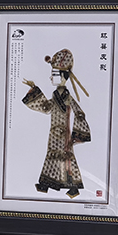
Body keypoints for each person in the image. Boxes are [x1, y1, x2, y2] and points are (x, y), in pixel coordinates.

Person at [21, 49, 91, 198]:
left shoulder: (67, 96)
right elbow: (46, 107)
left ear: (63, 77)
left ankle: (73, 187)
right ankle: (47, 183)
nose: (51, 77)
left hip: (64, 134)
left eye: (54, 74)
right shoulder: (55, 95)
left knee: (67, 159)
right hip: (54, 132)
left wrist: (77, 134)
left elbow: (79, 112)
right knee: (52, 156)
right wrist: (34, 89)